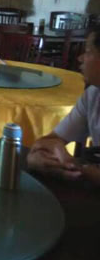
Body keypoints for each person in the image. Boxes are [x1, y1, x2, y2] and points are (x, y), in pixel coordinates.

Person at [27, 24, 100, 186]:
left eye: (88, 51)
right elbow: (50, 140)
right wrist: (42, 156)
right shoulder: (93, 95)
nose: (80, 58)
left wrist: (78, 168)